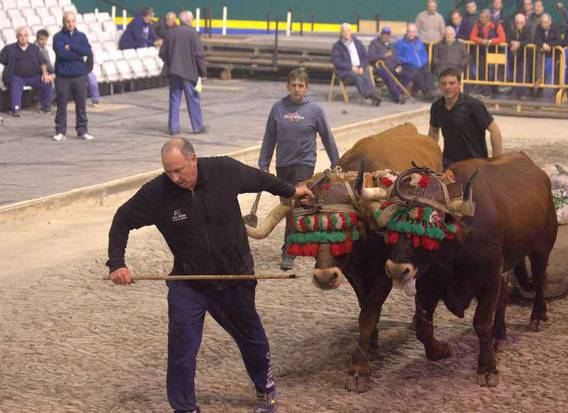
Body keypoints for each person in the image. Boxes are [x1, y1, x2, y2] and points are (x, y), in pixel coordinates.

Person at [107, 137, 314, 413]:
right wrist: (117, 263)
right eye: (168, 171)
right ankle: (184, 408)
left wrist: (292, 190)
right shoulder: (157, 193)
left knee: (251, 337)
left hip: (235, 278)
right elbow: (122, 219)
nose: (174, 177)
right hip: (189, 282)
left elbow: (262, 180)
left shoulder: (224, 170)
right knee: (181, 347)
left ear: (194, 159)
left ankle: (265, 389)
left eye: (179, 170)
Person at [258, 69, 340, 270]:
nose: (296, 89)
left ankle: (289, 250)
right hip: (283, 164)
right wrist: (263, 164)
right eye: (293, 85)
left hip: (304, 163)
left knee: (295, 206)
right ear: (288, 86)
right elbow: (269, 137)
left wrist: (336, 161)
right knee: (287, 207)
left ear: (306, 88)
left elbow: (327, 138)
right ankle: (300, 240)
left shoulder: (315, 110)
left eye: (300, 85)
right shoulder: (278, 108)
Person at [429, 67, 502, 169]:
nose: (447, 87)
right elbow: (433, 131)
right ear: (440, 86)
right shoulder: (436, 107)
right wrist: (430, 156)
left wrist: (497, 162)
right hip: (450, 165)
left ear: (459, 84)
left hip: (475, 164)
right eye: (444, 84)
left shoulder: (473, 105)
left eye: (451, 83)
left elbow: (494, 130)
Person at [160, 10, 207, 135]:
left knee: (174, 100)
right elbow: (199, 55)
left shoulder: (171, 33)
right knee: (193, 99)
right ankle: (197, 127)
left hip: (174, 72)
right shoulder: (194, 34)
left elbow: (162, 53)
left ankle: (173, 128)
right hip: (189, 73)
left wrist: (172, 62)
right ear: (190, 20)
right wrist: (203, 73)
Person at [52, 11, 94, 141]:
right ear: (63, 22)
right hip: (62, 76)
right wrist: (77, 53)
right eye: (68, 21)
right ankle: (60, 131)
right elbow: (61, 54)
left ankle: (82, 131)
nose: (70, 24)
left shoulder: (81, 36)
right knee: (61, 104)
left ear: (75, 22)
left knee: (81, 104)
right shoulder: (57, 37)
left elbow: (87, 51)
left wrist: (71, 47)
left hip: (79, 75)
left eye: (72, 21)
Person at [0, 27, 53, 117]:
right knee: (15, 83)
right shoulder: (10, 48)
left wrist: (45, 73)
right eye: (20, 36)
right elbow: (2, 59)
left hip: (33, 76)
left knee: (46, 81)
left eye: (25, 36)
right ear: (17, 37)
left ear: (28, 37)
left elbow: (42, 62)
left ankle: (46, 107)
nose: (23, 38)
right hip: (17, 76)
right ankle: (16, 109)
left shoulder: (34, 48)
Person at [330, 23, 382, 106]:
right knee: (356, 76)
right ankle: (370, 94)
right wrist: (351, 67)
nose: (346, 33)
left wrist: (361, 66)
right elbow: (336, 61)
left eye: (348, 31)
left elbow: (365, 57)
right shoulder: (337, 46)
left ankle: (374, 96)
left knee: (365, 74)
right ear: (341, 33)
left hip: (359, 68)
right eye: (344, 31)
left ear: (351, 32)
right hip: (346, 72)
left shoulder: (358, 43)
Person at [395, 23, 437, 101]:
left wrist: (423, 62)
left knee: (428, 74)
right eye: (409, 31)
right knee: (417, 75)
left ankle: (431, 91)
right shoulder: (401, 43)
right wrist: (408, 60)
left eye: (413, 32)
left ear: (415, 32)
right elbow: (397, 56)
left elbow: (424, 54)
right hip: (407, 65)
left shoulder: (419, 42)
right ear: (406, 32)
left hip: (420, 64)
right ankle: (426, 93)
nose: (411, 34)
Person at [469, 9, 506, 95]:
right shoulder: (477, 24)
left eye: (483, 18)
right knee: (482, 70)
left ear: (488, 18)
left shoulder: (497, 25)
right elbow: (472, 37)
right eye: (480, 17)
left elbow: (502, 38)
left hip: (496, 51)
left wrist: (490, 41)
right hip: (482, 51)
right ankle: (484, 90)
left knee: (494, 71)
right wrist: (481, 40)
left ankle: (494, 90)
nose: (481, 19)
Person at [367, 26, 406, 103]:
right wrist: (384, 55)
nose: (386, 36)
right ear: (381, 34)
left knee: (405, 72)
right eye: (384, 34)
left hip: (393, 66)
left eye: (387, 34)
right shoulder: (374, 44)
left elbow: (396, 56)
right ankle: (397, 96)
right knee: (388, 76)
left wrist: (399, 65)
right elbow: (370, 57)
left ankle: (399, 92)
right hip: (380, 66)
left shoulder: (391, 45)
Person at [532, 13, 562, 97]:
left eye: (545, 22)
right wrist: (543, 45)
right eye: (542, 22)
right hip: (543, 49)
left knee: (557, 69)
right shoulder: (539, 27)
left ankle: (557, 90)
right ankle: (539, 82)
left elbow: (559, 40)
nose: (543, 24)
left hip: (555, 51)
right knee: (539, 58)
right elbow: (535, 39)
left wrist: (549, 45)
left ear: (550, 22)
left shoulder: (555, 27)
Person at [506, 13, 531, 99]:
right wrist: (511, 42)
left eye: (521, 22)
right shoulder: (510, 27)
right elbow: (507, 37)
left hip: (524, 54)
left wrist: (519, 43)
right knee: (513, 74)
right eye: (517, 22)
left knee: (523, 74)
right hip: (513, 54)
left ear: (525, 22)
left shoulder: (528, 28)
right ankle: (514, 92)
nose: (519, 24)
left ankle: (523, 93)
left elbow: (529, 39)